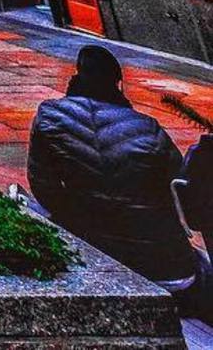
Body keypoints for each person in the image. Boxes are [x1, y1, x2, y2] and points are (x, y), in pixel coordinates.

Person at [28, 43, 210, 318]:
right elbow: (179, 191)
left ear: (76, 78)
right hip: (166, 267)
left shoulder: (50, 116)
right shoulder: (146, 127)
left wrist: (81, 217)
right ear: (118, 85)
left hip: (94, 254)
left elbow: (44, 188)